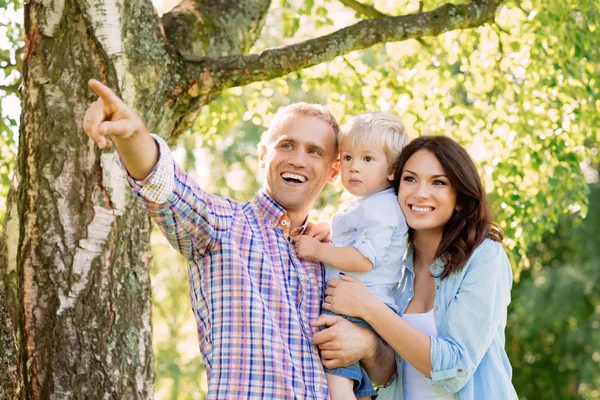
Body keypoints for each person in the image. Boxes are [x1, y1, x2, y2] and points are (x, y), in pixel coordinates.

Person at [82, 79, 394, 399]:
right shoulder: (222, 228)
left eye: (314, 151)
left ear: (332, 171)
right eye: (287, 145)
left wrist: (368, 346)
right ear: (263, 155)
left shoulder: (340, 255)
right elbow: (166, 188)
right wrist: (134, 136)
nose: (298, 159)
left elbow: (389, 370)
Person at [317, 136, 518, 399]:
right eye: (410, 179)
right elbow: (385, 377)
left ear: (459, 197)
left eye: (438, 182)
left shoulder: (484, 258)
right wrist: (368, 347)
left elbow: (454, 368)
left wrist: (368, 307)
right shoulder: (395, 269)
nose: (420, 192)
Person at [294, 112, 409, 399]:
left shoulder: (381, 209)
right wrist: (328, 229)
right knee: (358, 390)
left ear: (393, 169)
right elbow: (357, 235)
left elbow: (362, 259)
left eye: (367, 159)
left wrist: (320, 250)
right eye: (347, 158)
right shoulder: (371, 204)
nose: (354, 168)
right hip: (358, 307)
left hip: (357, 309)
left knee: (336, 381)